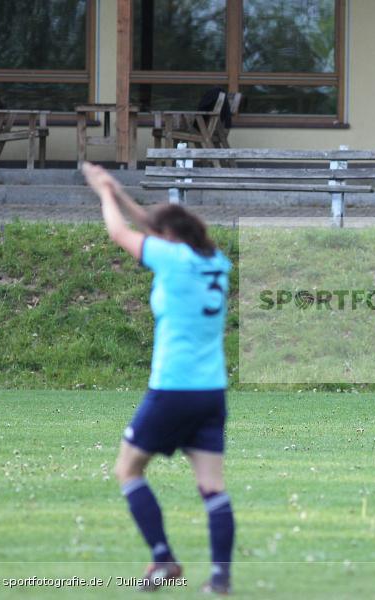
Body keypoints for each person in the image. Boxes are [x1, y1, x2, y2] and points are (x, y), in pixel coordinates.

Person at [82, 163, 235, 594]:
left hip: (172, 389)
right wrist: (119, 189)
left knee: (128, 469)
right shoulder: (216, 262)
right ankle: (221, 578)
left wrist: (104, 195)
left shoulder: (171, 259)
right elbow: (153, 224)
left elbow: (120, 233)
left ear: (168, 238)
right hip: (211, 392)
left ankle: (163, 558)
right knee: (212, 487)